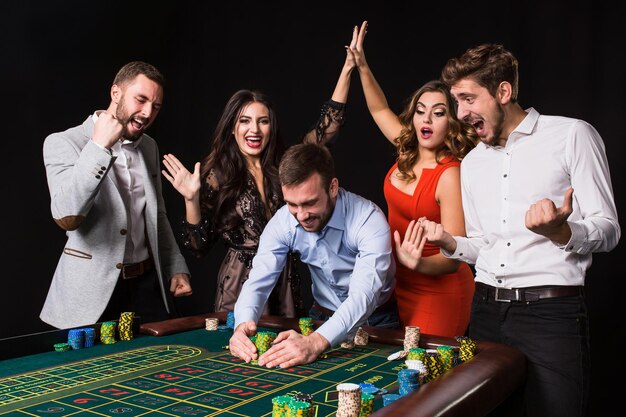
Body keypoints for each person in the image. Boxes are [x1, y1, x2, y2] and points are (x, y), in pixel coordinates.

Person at [411, 44, 620, 417]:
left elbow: (608, 229)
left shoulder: (573, 135)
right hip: (486, 312)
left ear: (503, 92)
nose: (461, 113)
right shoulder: (472, 162)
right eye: (456, 101)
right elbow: (483, 246)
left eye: (468, 98)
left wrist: (561, 230)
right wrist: (449, 242)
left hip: (550, 315)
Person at [161, 27, 358, 318]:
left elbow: (326, 129)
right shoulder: (217, 175)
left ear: (271, 127)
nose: (254, 129)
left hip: (285, 279)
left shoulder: (285, 164)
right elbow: (198, 247)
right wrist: (191, 198)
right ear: (232, 127)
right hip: (241, 280)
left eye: (263, 121)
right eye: (245, 121)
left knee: (286, 354)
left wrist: (348, 69)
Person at [343, 21, 477, 337]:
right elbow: (378, 109)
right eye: (420, 110)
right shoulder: (407, 148)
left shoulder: (450, 174)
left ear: (453, 120)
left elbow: (454, 257)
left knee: (429, 376)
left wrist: (416, 264)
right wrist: (362, 66)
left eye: (439, 112)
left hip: (439, 288)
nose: (426, 119)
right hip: (398, 283)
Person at [41, 61, 193, 330]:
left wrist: (175, 265)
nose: (147, 113)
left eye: (155, 106)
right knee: (91, 372)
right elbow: (66, 216)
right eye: (141, 100)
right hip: (91, 293)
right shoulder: (64, 142)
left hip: (147, 285)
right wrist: (99, 147)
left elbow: (156, 214)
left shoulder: (149, 146)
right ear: (115, 94)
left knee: (155, 368)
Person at [228, 143, 398, 368]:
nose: (301, 215)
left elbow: (363, 296)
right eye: (292, 204)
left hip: (376, 320)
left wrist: (316, 342)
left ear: (333, 187)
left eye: (310, 203)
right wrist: (243, 324)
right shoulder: (283, 221)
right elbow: (258, 279)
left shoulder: (369, 219)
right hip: (320, 317)